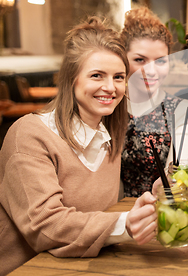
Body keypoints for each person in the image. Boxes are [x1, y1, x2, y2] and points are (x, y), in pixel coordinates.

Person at [0, 17, 157, 275]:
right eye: (97, 75)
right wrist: (124, 224)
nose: (110, 87)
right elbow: (45, 227)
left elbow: (94, 211)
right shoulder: (29, 135)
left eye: (119, 77)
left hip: (83, 266)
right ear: (71, 79)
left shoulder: (110, 134)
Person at [120, 7, 188, 197]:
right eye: (140, 60)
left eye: (161, 61)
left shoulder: (184, 109)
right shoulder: (109, 106)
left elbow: (177, 173)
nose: (151, 70)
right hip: (112, 212)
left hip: (163, 207)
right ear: (122, 58)